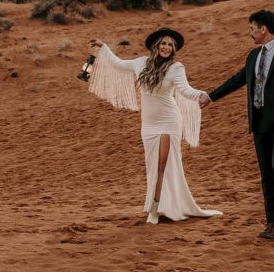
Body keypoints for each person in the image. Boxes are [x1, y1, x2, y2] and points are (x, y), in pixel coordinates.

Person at [87, 27, 222, 224]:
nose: (166, 47)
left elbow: (185, 89)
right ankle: (161, 205)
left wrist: (203, 95)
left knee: (162, 165)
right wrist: (103, 46)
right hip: (148, 124)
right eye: (163, 43)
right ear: (155, 45)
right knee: (152, 166)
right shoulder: (140, 62)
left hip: (169, 121)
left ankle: (155, 209)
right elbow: (117, 64)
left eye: (170, 45)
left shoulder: (176, 68)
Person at [199, 10, 274, 239]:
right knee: (266, 174)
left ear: (263, 29)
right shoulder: (253, 56)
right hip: (260, 122)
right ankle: (273, 223)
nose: (250, 33)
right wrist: (210, 97)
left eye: (252, 29)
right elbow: (237, 80)